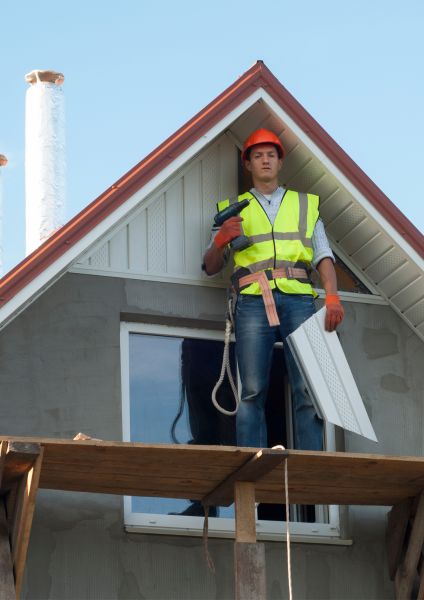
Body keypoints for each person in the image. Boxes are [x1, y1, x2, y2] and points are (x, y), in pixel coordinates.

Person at [202, 129, 344, 451]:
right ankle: (253, 460)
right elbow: (211, 266)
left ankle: (310, 462)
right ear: (248, 164)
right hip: (253, 300)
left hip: (298, 299)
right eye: (257, 155)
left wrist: (332, 295)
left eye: (270, 155)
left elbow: (323, 255)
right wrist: (220, 239)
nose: (264, 160)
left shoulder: (306, 205)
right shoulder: (231, 210)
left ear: (280, 162)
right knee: (252, 389)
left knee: (307, 386)